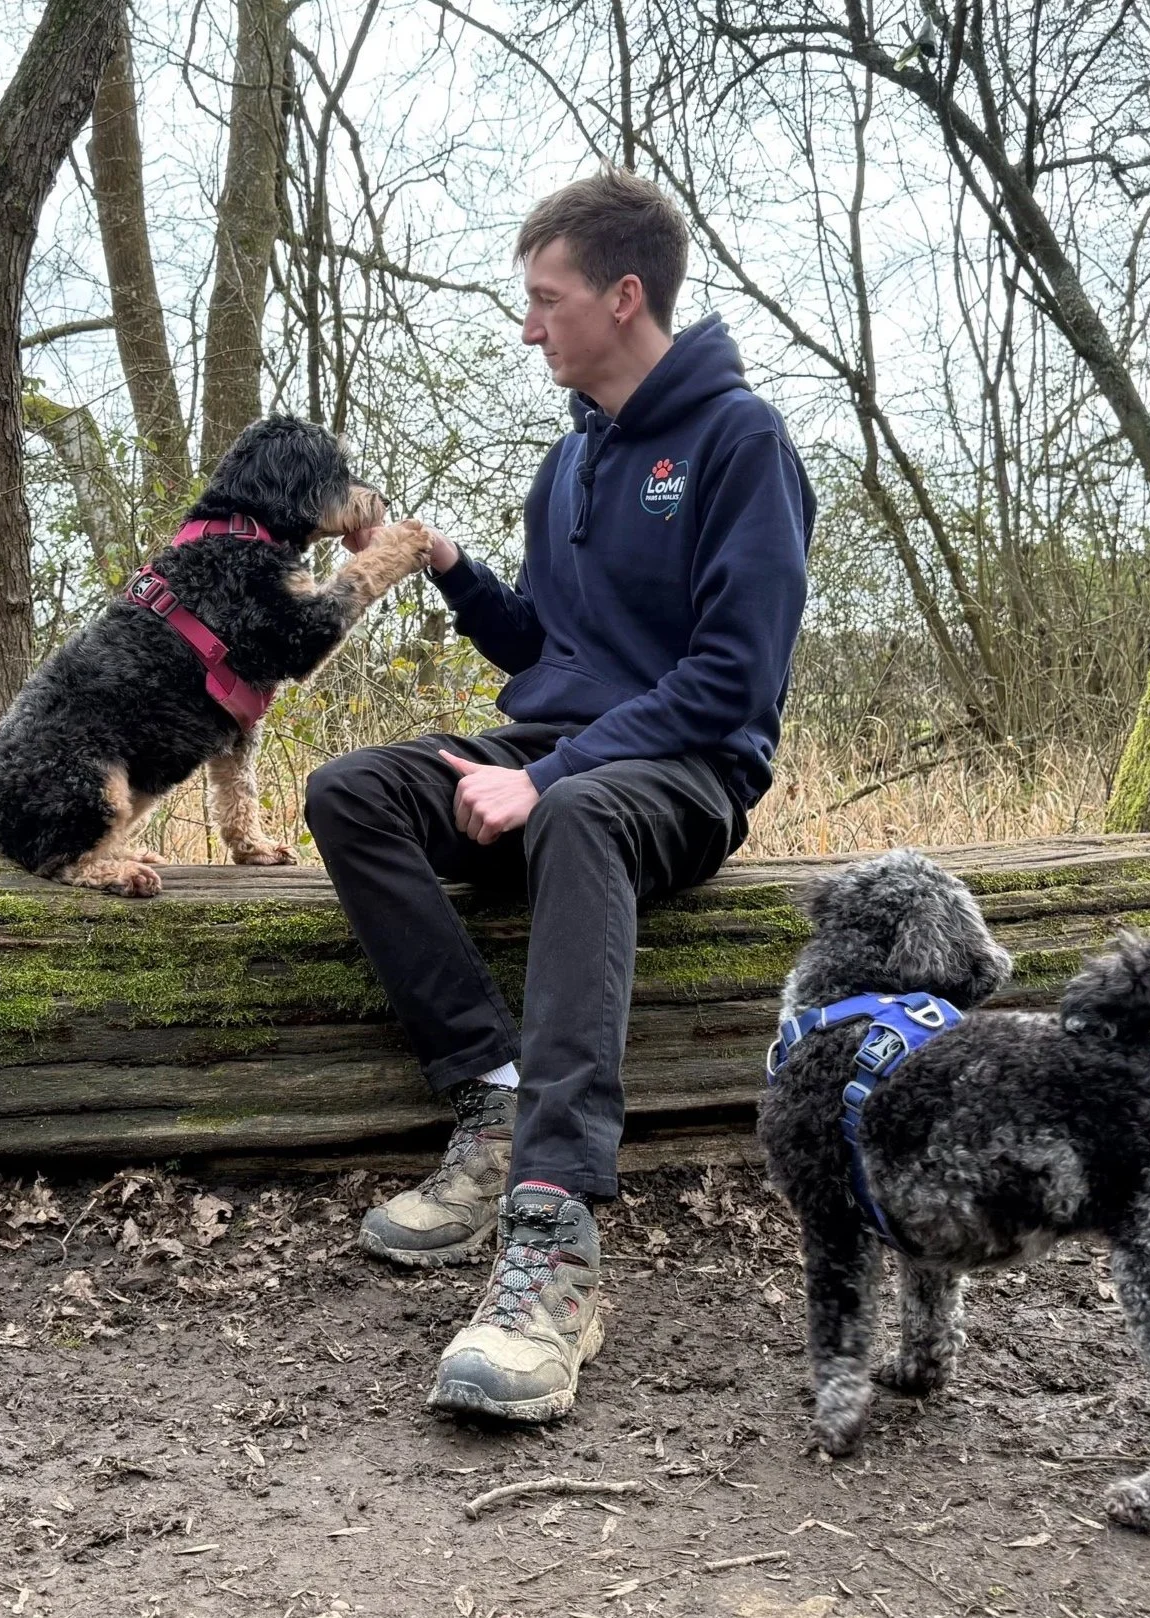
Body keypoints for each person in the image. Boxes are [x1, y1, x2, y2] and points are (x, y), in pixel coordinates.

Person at [305, 169, 815, 1422]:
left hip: (683, 776)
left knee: (580, 812)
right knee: (352, 791)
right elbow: (551, 653)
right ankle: (489, 1091)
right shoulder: (566, 465)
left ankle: (554, 1243)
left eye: (547, 299)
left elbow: (728, 680)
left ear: (623, 297)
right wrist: (456, 571)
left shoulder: (738, 443)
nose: (527, 325)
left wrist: (548, 776)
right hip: (559, 758)